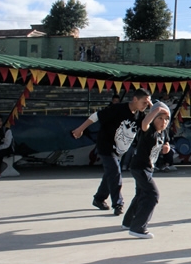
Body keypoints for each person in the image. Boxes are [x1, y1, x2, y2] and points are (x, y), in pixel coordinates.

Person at [71, 88, 152, 216]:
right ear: (135, 99)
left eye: (147, 103)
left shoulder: (140, 115)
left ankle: (99, 198)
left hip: (119, 149)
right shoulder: (118, 109)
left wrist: (152, 108)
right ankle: (118, 203)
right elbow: (96, 116)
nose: (145, 105)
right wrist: (80, 129)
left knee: (110, 174)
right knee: (115, 172)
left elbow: (149, 127)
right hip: (106, 145)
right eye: (144, 102)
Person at [121, 102, 171, 238]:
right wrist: (156, 110)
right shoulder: (149, 131)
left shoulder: (164, 132)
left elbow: (166, 142)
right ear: (153, 118)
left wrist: (166, 147)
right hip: (139, 167)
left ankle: (128, 222)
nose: (163, 122)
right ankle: (138, 227)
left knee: (141, 195)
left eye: (166, 119)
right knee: (152, 195)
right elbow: (144, 123)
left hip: (149, 168)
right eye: (160, 118)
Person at [0, 114, 14, 179]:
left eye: (0, 121)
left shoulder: (7, 131)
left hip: (6, 149)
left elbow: (7, 144)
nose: (0, 123)